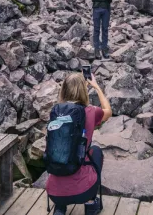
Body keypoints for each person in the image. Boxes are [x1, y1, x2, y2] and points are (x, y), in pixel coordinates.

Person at [46, 72, 112, 215]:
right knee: (96, 151)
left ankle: (59, 207)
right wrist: (97, 87)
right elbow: (109, 111)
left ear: (63, 89)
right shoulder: (90, 111)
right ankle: (90, 204)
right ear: (84, 90)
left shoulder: (56, 112)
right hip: (83, 192)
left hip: (53, 192)